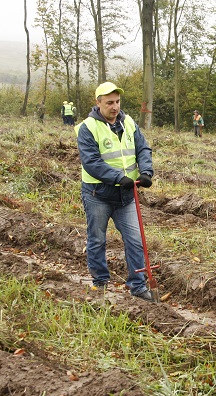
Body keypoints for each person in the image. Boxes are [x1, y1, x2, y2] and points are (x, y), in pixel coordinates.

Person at [75, 82, 156, 302]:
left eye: (117, 102)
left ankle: (138, 286)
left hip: (126, 196)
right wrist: (118, 178)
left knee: (135, 240)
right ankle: (100, 282)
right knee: (97, 239)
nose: (115, 107)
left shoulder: (128, 122)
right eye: (109, 102)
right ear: (98, 102)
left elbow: (143, 148)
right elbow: (91, 162)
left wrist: (146, 171)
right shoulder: (87, 128)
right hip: (98, 194)